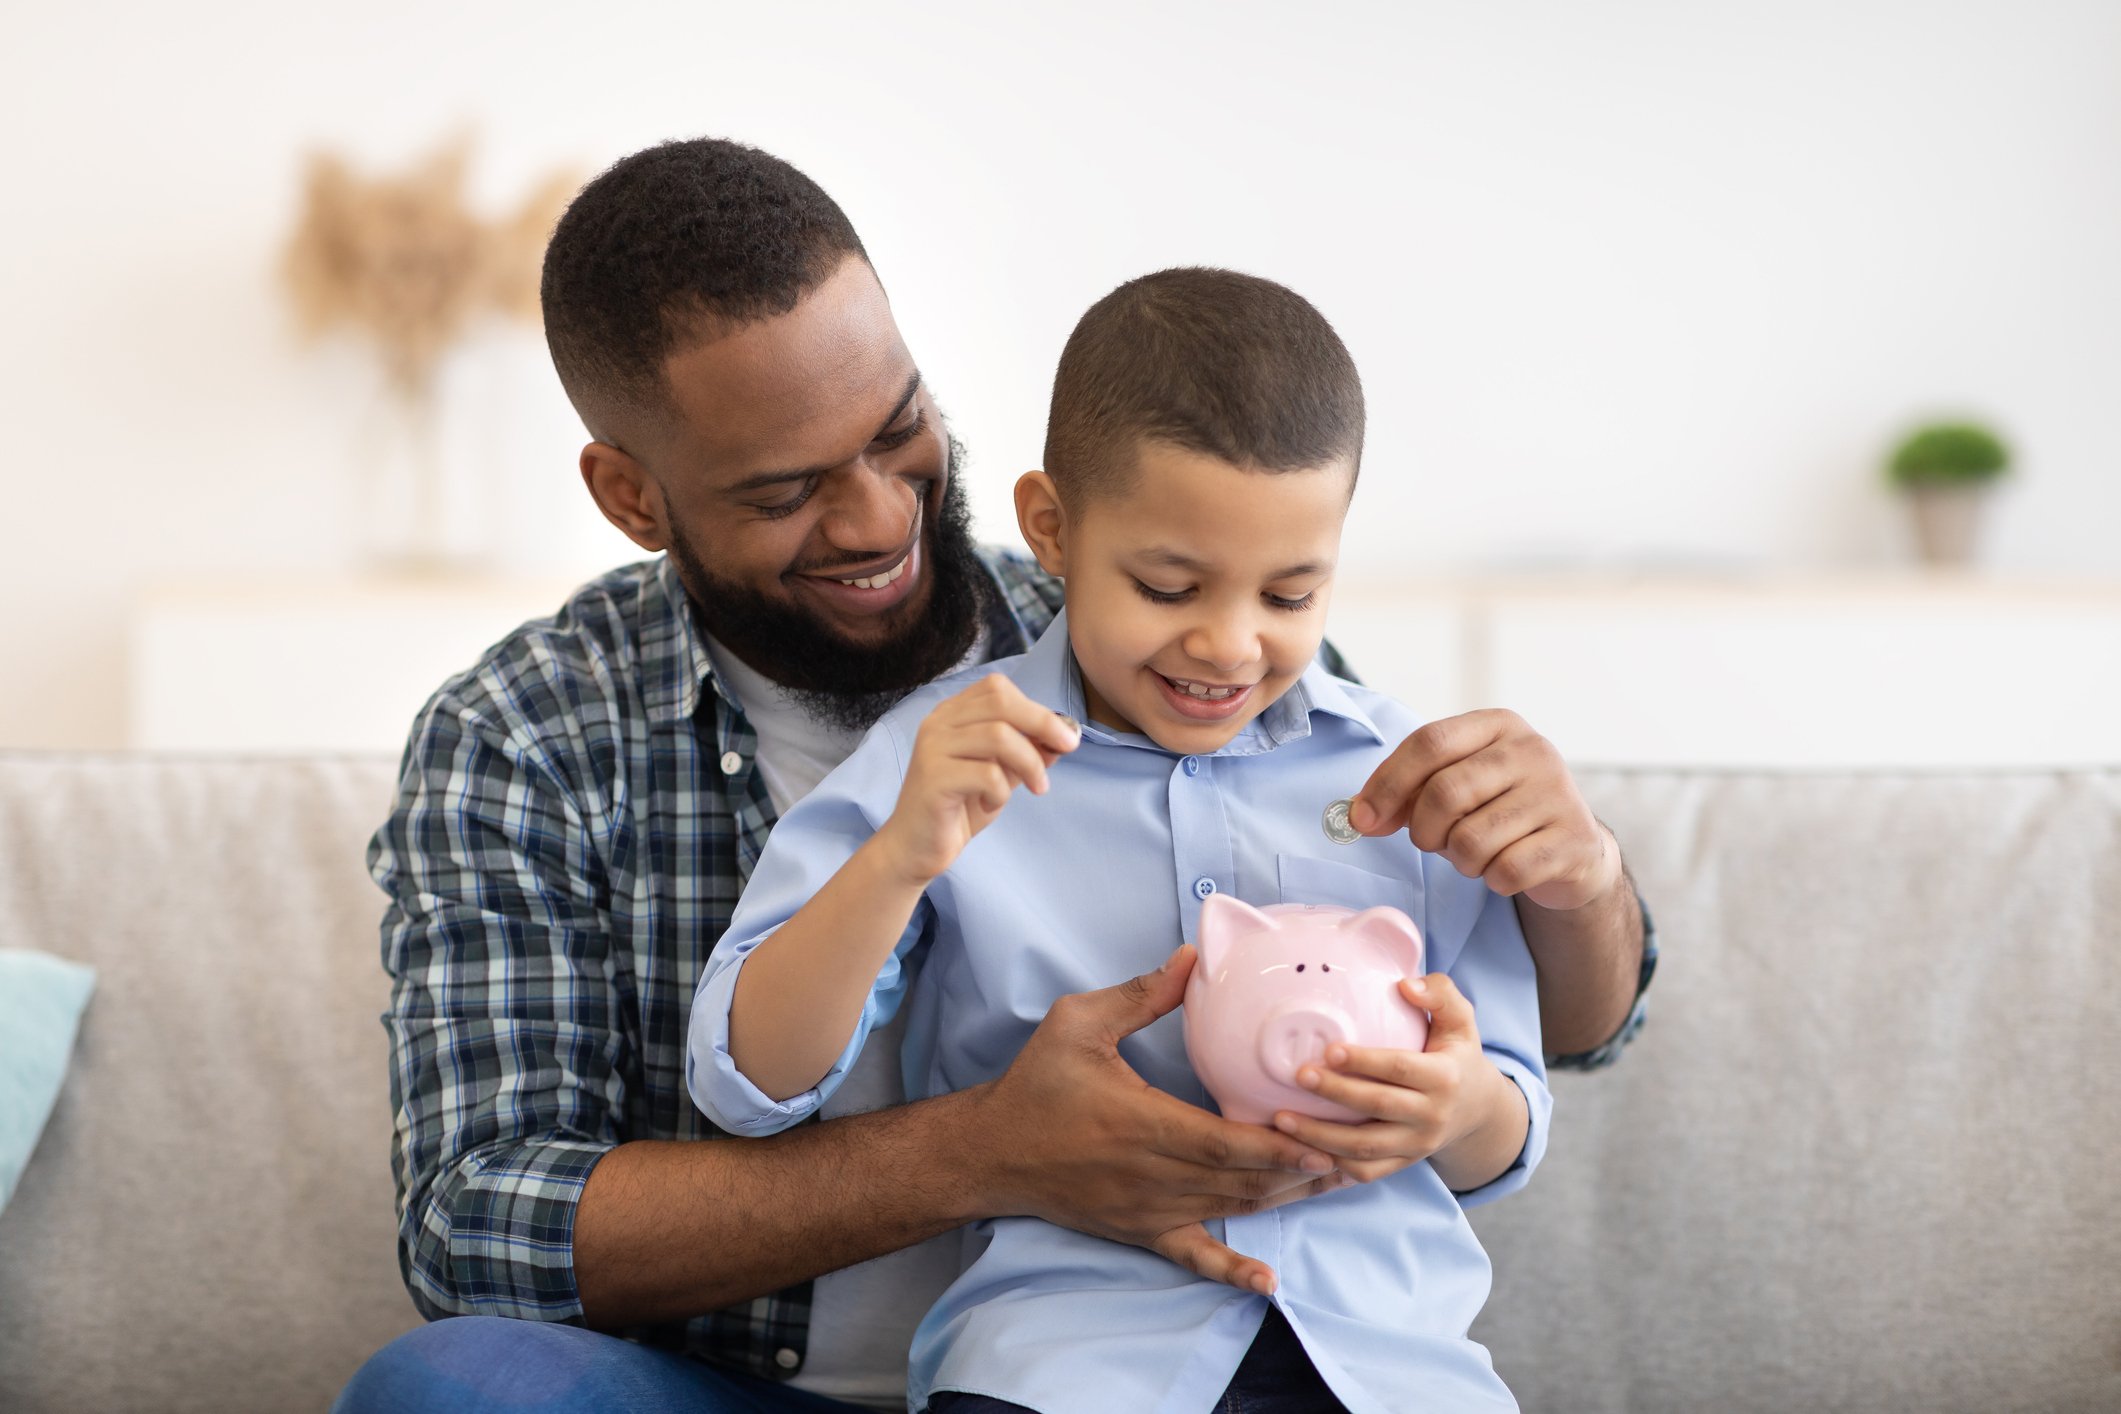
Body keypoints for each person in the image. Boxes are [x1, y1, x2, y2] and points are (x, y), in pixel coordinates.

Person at [339, 139, 1655, 1413]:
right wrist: (982, 1152)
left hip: (1299, 1351)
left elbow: (1560, 1031)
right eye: (785, 490)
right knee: (448, 1394)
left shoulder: (1193, 632)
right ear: (633, 497)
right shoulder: (528, 735)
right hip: (906, 1379)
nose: (878, 518)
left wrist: (1582, 874)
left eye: (898, 427)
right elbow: (475, 1226)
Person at [691, 267, 1552, 1413]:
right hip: (1067, 1365)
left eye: (1289, 597)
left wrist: (1457, 1108)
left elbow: (1510, 1121)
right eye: (1167, 585)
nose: (1230, 644)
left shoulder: (1397, 774)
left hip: (1382, 1367)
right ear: (1051, 528)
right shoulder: (943, 761)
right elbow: (748, 1080)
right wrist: (898, 857)